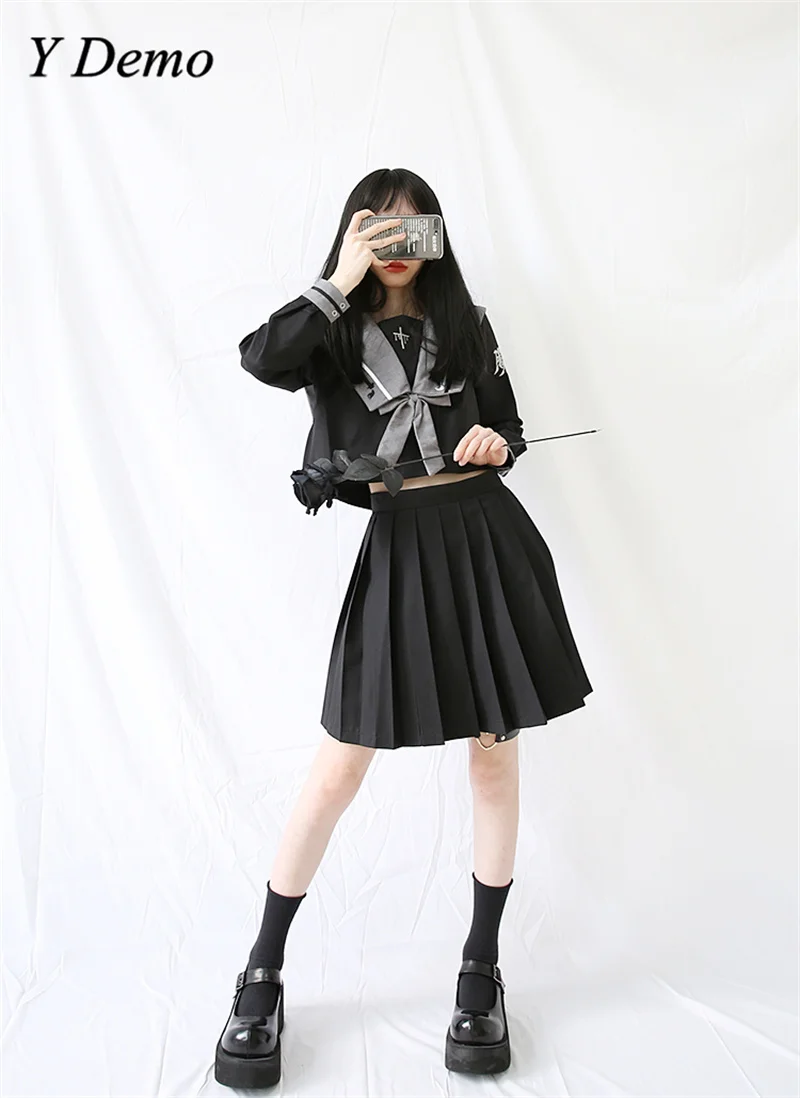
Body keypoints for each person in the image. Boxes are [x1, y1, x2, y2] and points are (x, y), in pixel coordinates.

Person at [214, 168, 593, 1088]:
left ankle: (480, 969)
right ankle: (261, 971)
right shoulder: (328, 331)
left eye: (409, 228)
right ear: (354, 237)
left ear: (435, 234)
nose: (395, 245)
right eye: (375, 230)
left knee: (493, 758)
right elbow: (260, 359)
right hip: (401, 546)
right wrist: (339, 279)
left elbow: (507, 425)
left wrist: (496, 443)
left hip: (486, 540)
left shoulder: (467, 323)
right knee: (340, 764)